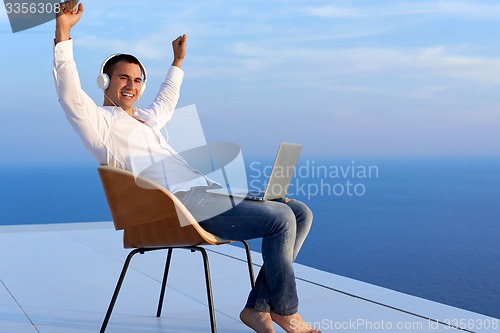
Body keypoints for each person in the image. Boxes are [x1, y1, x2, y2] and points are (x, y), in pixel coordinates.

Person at [53, 2, 319, 333]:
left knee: (300, 212)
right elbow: (68, 94)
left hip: (205, 194)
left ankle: (259, 308)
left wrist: (177, 62)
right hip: (178, 210)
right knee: (280, 220)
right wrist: (63, 31)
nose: (131, 86)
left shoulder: (146, 119)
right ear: (104, 81)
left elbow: (166, 100)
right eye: (123, 78)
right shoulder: (100, 124)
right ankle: (286, 311)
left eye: (137, 80)